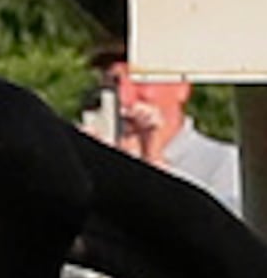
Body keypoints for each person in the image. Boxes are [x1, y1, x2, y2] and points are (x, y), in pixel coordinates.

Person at [88, 53, 242, 210]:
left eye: (140, 82)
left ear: (181, 87)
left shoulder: (224, 164)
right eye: (113, 85)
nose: (124, 98)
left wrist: (154, 163)